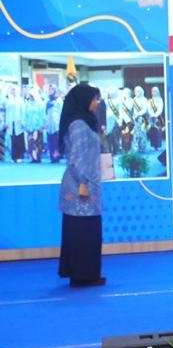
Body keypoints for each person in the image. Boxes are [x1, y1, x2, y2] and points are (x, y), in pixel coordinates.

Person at [57, 83, 105, 287]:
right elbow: (76, 158)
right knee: (84, 230)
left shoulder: (83, 121)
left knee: (84, 229)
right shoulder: (78, 124)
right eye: (94, 99)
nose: (96, 103)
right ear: (85, 100)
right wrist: (83, 183)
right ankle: (83, 275)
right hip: (80, 186)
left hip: (85, 184)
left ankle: (82, 273)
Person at [24, 88, 45, 163]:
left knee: (38, 143)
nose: (30, 97)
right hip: (30, 127)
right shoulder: (27, 104)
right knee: (31, 142)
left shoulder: (40, 104)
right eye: (29, 95)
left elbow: (42, 115)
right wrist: (25, 125)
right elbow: (25, 115)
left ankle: (38, 158)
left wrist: (41, 126)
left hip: (38, 126)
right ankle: (33, 158)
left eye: (31, 95)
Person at [147, 85, 165, 151]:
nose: (154, 92)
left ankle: (157, 145)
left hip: (158, 117)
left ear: (158, 92)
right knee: (153, 132)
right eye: (153, 91)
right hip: (151, 118)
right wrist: (152, 115)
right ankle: (153, 145)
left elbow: (160, 108)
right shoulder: (150, 100)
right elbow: (149, 109)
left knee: (158, 132)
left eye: (155, 91)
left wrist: (156, 115)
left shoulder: (160, 100)